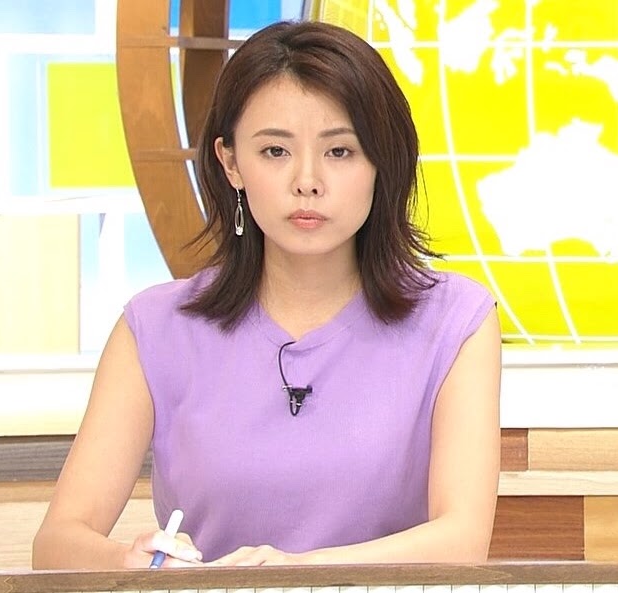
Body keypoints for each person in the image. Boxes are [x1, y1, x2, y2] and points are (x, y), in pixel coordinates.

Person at [32, 19, 501, 568]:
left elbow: (462, 541)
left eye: (340, 151)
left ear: (382, 162)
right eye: (276, 151)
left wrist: (295, 573)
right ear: (231, 162)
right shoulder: (154, 326)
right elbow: (56, 543)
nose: (307, 180)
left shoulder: (456, 320)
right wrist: (129, 564)